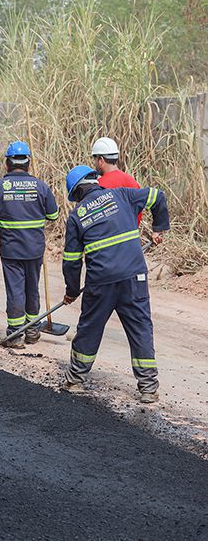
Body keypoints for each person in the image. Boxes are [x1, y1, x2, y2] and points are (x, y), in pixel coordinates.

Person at [61, 165, 169, 404]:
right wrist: (159, 227)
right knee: (140, 327)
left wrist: (71, 291)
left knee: (90, 327)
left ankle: (75, 379)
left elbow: (71, 261)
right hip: (134, 276)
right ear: (96, 182)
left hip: (101, 282)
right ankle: (148, 388)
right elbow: (157, 196)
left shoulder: (77, 216)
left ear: (77, 193)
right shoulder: (122, 194)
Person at [0, 141, 59, 349]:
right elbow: (53, 215)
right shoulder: (41, 186)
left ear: (7, 163)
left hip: (11, 250)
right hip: (35, 250)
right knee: (32, 289)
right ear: (28, 164)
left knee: (16, 291)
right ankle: (32, 331)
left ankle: (15, 335)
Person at [92, 136, 142, 224]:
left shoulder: (99, 186)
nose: (94, 163)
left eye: (95, 159)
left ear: (101, 160)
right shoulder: (132, 181)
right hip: (133, 234)